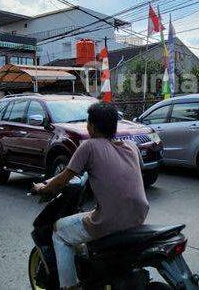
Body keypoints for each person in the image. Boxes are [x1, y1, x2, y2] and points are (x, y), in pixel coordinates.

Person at [31, 101, 149, 290]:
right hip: (138, 218)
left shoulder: (89, 146)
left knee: (59, 232)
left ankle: (69, 287)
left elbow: (63, 179)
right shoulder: (131, 147)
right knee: (88, 217)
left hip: (109, 221)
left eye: (88, 122)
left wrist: (42, 188)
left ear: (92, 126)